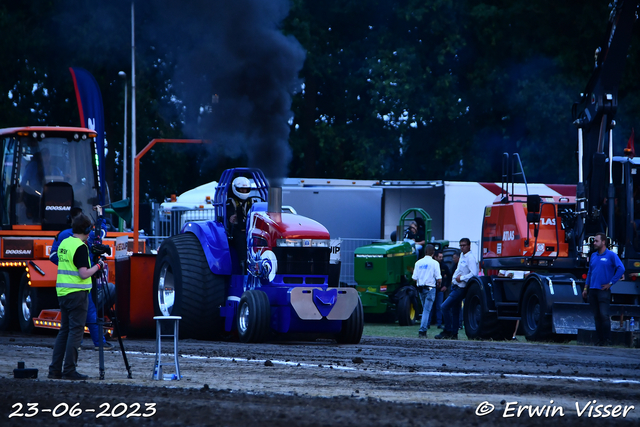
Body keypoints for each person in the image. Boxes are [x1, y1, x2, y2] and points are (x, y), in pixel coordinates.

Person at [49, 213, 106, 380]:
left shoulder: (65, 243)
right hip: (77, 294)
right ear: (87, 230)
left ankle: (55, 369)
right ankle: (69, 369)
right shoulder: (80, 247)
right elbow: (83, 273)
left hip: (63, 293)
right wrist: (99, 265)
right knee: (76, 332)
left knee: (64, 331)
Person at [50, 206, 114, 350]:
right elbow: (101, 232)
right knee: (88, 314)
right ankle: (98, 343)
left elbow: (53, 256)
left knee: (67, 326)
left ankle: (69, 352)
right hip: (82, 281)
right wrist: (101, 217)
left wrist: (68, 264)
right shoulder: (87, 238)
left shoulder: (62, 237)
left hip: (64, 288)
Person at [582, 232, 625, 346]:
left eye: (596, 241)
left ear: (603, 242)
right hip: (593, 289)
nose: (594, 243)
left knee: (603, 315)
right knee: (596, 316)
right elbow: (590, 273)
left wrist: (610, 283)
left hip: (603, 291)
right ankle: (600, 339)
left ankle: (607, 339)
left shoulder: (611, 255)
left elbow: (621, 268)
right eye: (594, 241)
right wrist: (586, 289)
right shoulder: (593, 256)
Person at [436, 238, 478, 340]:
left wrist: (461, 278)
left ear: (469, 246)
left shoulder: (470, 258)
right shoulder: (462, 256)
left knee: (444, 307)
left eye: (464, 245)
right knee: (455, 311)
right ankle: (454, 333)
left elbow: (474, 273)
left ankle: (448, 330)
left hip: (460, 287)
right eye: (461, 245)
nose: (462, 247)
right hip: (456, 286)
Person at [412, 244, 442, 338]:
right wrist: (439, 285)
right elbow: (439, 278)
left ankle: (423, 328)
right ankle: (422, 330)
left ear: (425, 252)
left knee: (424, 308)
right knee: (426, 310)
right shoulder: (435, 263)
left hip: (421, 288)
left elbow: (414, 278)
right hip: (430, 288)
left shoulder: (418, 263)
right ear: (433, 253)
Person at [226, 176, 255, 265]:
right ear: (236, 189)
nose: (244, 191)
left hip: (251, 229)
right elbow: (229, 214)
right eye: (241, 189)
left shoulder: (252, 201)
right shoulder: (231, 201)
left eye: (246, 189)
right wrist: (231, 217)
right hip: (236, 230)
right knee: (241, 239)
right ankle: (243, 263)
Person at [497, 270, 530, 340]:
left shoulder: (524, 262)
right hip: (508, 287)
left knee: (518, 311)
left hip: (519, 287)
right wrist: (507, 277)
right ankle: (505, 333)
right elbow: (499, 275)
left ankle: (513, 335)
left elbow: (528, 276)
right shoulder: (507, 260)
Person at [430, 251, 450, 329]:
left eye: (442, 257)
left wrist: (445, 286)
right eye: (440, 257)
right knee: (430, 306)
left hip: (440, 290)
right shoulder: (432, 265)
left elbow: (449, 276)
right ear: (435, 257)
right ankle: (429, 322)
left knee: (439, 306)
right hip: (432, 288)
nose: (441, 258)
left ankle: (439, 323)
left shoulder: (444, 266)